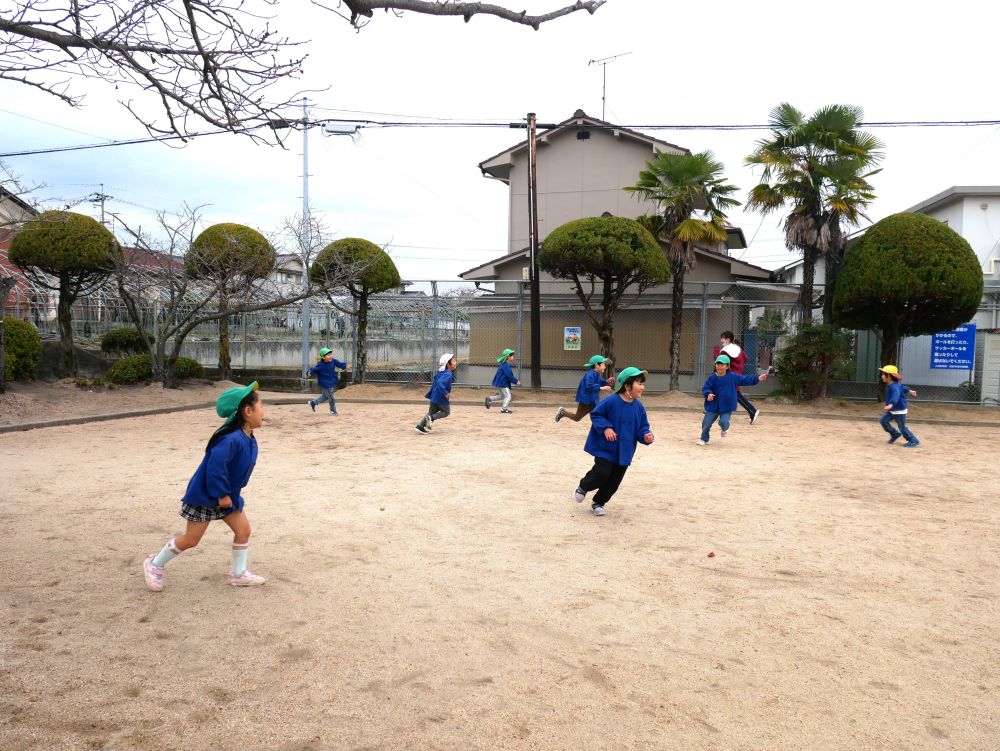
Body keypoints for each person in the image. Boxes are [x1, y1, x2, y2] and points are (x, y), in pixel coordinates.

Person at [143, 382, 266, 591]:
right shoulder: (230, 439)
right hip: (208, 495)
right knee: (191, 539)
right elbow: (214, 468)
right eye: (261, 406)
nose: (264, 411)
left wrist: (230, 495)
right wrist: (221, 494)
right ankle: (154, 564)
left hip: (228, 495)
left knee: (243, 530)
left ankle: (238, 574)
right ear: (247, 411)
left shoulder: (248, 437)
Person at [573, 366, 655, 517]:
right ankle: (583, 486)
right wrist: (606, 428)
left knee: (614, 482)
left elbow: (643, 427)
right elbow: (596, 414)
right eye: (639, 383)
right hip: (606, 449)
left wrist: (646, 436)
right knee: (602, 473)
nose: (642, 387)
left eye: (643, 384)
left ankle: (598, 502)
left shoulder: (639, 407)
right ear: (627, 385)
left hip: (624, 452)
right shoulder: (611, 401)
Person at [699, 354, 768, 445]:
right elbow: (706, 388)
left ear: (727, 366)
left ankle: (725, 428)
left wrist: (758, 378)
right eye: (717, 364)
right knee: (706, 423)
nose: (719, 367)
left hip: (727, 406)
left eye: (722, 365)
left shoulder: (732, 376)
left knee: (723, 422)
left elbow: (745, 379)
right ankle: (704, 438)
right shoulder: (712, 377)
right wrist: (708, 394)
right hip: (713, 405)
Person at [713, 331, 760, 424]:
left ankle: (752, 411)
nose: (721, 340)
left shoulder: (726, 350)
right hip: (737, 373)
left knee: (735, 395)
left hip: (730, 375)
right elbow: (745, 358)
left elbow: (719, 360)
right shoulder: (737, 348)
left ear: (728, 339)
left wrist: (715, 351)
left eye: (723, 338)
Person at [555, 354, 615, 423]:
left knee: (599, 414)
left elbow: (600, 382)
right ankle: (563, 412)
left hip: (593, 400)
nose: (605, 366)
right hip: (586, 400)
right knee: (577, 417)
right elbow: (589, 386)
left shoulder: (596, 374)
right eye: (603, 364)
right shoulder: (590, 374)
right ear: (597, 365)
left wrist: (607, 381)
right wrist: (602, 388)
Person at [879, 365, 920, 447]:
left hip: (899, 410)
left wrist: (891, 404)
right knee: (883, 420)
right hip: (893, 409)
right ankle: (895, 434)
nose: (882, 376)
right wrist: (910, 391)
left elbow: (896, 395)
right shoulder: (893, 384)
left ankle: (913, 441)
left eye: (883, 374)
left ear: (889, 376)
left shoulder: (894, 387)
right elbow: (903, 388)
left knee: (902, 427)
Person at [415, 353, 456, 433]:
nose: (456, 362)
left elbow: (436, 380)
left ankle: (420, 427)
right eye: (454, 361)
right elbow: (440, 383)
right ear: (448, 364)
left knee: (431, 412)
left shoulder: (441, 372)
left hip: (434, 395)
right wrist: (445, 393)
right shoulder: (448, 373)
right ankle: (432, 418)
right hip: (441, 397)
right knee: (446, 412)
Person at [306, 347, 350, 415]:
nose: (330, 356)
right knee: (331, 398)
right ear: (323, 357)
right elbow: (314, 369)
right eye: (328, 355)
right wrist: (309, 372)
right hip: (325, 383)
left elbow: (339, 364)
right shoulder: (320, 365)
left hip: (331, 381)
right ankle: (333, 410)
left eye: (331, 354)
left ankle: (313, 403)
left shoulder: (333, 361)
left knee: (325, 396)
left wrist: (346, 366)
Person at [485, 348, 519, 413]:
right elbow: (509, 375)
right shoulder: (506, 365)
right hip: (503, 383)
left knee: (502, 396)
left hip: (500, 382)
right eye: (512, 356)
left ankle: (490, 399)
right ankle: (504, 409)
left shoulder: (504, 364)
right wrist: (516, 381)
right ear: (508, 357)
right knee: (508, 396)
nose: (513, 357)